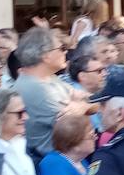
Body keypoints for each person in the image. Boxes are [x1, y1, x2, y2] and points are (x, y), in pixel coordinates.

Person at [12, 26, 77, 158]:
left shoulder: (48, 78)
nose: (66, 52)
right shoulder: (38, 89)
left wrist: (80, 106)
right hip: (55, 163)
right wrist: (82, 106)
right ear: (45, 55)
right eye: (62, 48)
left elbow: (90, 101)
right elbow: (75, 127)